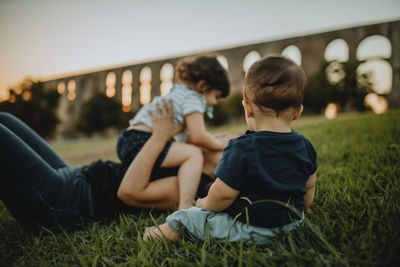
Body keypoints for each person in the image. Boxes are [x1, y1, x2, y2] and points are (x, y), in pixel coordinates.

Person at [143, 55, 318, 245]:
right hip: (292, 224)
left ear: (248, 109)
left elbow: (223, 194)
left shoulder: (241, 146)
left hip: (249, 228)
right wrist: (303, 209)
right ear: (298, 111)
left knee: (189, 217)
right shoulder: (305, 145)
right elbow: (308, 187)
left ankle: (157, 235)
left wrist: (205, 203)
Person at [0, 100, 213, 229]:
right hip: (76, 175)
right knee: (6, 118)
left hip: (67, 201)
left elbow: (128, 191)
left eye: (228, 143)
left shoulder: (192, 184)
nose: (222, 138)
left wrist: (159, 138)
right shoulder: (185, 156)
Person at [117, 54, 231, 210]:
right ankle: (185, 206)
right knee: (193, 154)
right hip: (143, 140)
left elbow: (190, 138)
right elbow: (198, 137)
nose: (215, 103)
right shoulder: (194, 98)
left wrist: (211, 139)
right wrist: (219, 143)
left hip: (130, 139)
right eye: (216, 96)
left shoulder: (180, 92)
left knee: (190, 152)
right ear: (203, 86)